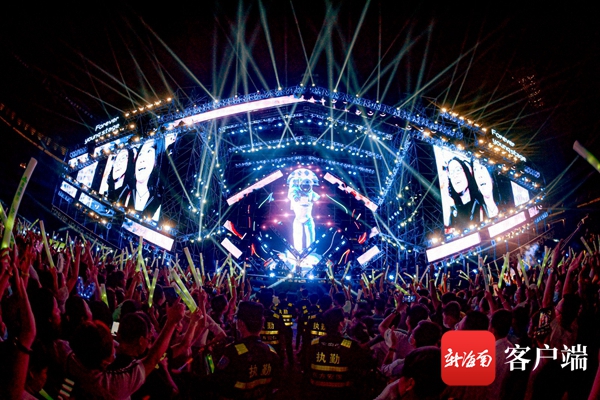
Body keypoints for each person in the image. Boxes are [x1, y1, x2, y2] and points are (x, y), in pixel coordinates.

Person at [213, 301, 280, 399]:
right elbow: (274, 387)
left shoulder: (232, 352)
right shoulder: (272, 352)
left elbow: (218, 384)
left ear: (240, 323)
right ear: (262, 323)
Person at [306, 307, 371, 399]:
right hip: (342, 394)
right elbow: (359, 371)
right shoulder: (350, 345)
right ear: (340, 324)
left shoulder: (314, 344)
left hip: (317, 393)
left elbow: (307, 369)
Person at [123, 138, 163, 221]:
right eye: (140, 154)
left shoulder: (159, 198)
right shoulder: (126, 191)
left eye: (148, 151)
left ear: (157, 159)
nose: (141, 160)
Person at [287, 168, 320, 254]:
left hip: (308, 218)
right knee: (297, 234)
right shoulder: (296, 191)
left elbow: (317, 197)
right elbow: (291, 194)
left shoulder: (311, 193)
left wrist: (313, 198)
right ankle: (298, 250)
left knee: (311, 234)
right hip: (298, 218)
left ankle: (311, 250)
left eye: (307, 185)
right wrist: (295, 197)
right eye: (304, 185)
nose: (306, 187)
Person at [446, 157, 484, 229]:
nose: (455, 175)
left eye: (458, 170)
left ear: (466, 172)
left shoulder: (481, 202)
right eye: (451, 173)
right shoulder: (452, 209)